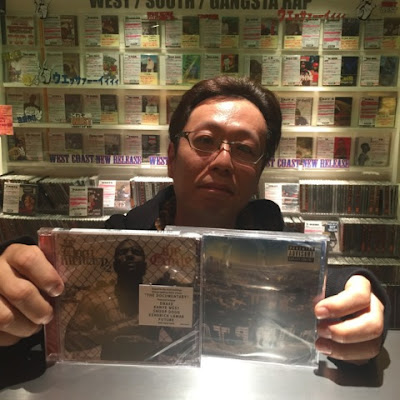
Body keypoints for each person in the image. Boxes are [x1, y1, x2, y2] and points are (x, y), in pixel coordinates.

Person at [0, 77, 390, 383]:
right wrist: (14, 295)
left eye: (244, 149)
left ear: (259, 172)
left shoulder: (275, 241)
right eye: (205, 141)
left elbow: (327, 288)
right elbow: (41, 319)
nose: (222, 161)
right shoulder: (119, 237)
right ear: (171, 157)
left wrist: (362, 298)